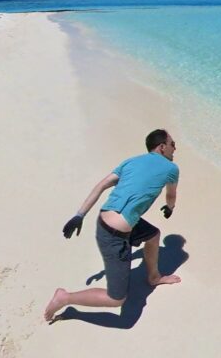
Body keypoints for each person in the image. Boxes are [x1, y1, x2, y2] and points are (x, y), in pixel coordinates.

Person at [44, 129, 181, 323]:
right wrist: (169, 208)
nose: (175, 148)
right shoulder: (171, 168)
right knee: (116, 299)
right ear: (162, 147)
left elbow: (101, 185)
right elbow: (171, 195)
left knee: (153, 235)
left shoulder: (130, 161)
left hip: (106, 219)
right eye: (172, 144)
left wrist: (79, 215)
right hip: (114, 235)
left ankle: (154, 277)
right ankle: (65, 298)